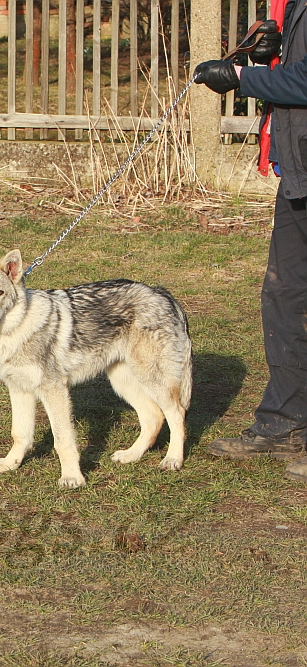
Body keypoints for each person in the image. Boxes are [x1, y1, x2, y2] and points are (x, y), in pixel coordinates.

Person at [194, 13, 307, 482]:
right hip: (300, 170)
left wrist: (243, 76)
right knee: (284, 296)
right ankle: (284, 425)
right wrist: (271, 56)